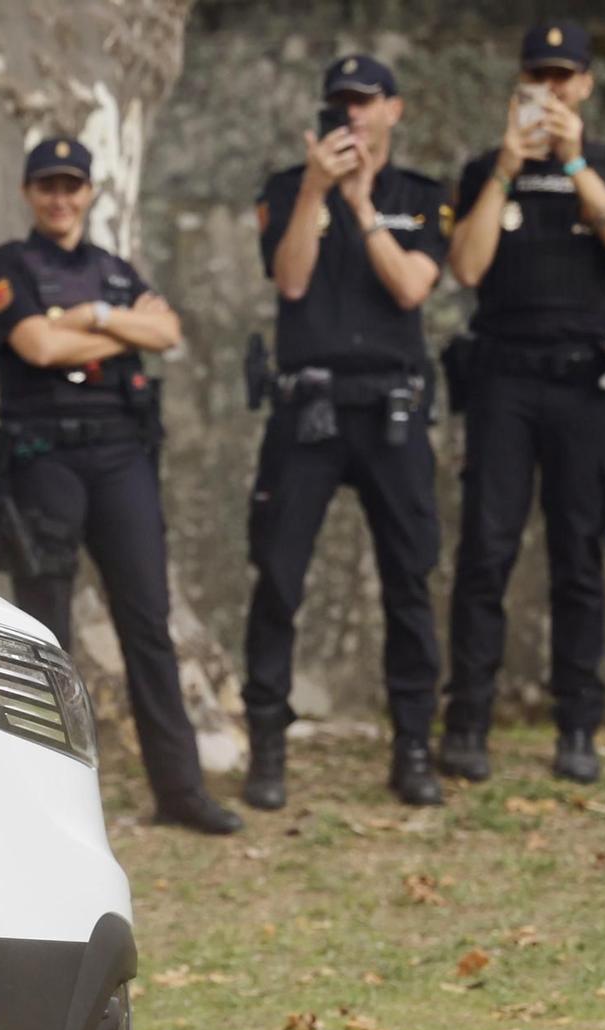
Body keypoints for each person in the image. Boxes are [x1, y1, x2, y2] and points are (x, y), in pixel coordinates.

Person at [0, 136, 241, 835]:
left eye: (72, 186)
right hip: (46, 461)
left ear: (90, 193)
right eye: (47, 186)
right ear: (30, 193)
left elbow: (169, 331)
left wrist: (87, 319)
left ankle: (180, 792)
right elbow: (38, 347)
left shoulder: (114, 271)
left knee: (148, 623)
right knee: (44, 638)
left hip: (122, 458)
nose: (60, 199)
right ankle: (45, 805)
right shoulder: (11, 264)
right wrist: (125, 331)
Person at [438, 21, 605, 785]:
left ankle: (578, 728)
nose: (552, 89)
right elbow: (465, 267)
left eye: (566, 77)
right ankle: (466, 723)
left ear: (586, 86)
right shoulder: (482, 170)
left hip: (584, 386)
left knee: (579, 557)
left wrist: (569, 160)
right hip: (503, 381)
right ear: (520, 82)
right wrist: (507, 164)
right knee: (485, 556)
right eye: (540, 76)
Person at [242, 55, 448, 810]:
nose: (353, 116)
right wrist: (318, 192)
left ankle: (415, 749)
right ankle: (267, 745)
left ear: (394, 109)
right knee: (278, 579)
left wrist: (361, 207)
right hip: (310, 411)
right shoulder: (286, 190)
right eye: (341, 104)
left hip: (392, 411)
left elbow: (411, 287)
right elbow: (290, 281)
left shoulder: (420, 197)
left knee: (410, 582)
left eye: (366, 103)